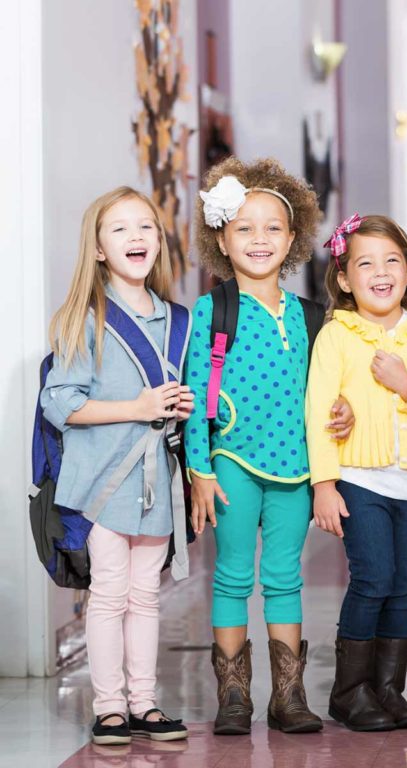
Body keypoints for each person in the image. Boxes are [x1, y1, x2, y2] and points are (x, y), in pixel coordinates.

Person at [42, 187, 193, 745]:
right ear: (100, 249)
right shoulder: (85, 318)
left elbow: (174, 406)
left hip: (156, 484)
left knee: (146, 595)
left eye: (146, 226)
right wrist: (137, 407)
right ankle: (110, 707)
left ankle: (145, 702)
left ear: (160, 239)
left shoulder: (177, 321)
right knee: (108, 592)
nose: (136, 237)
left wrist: (182, 405)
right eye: (121, 229)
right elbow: (60, 403)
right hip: (103, 481)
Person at [306, 214, 407, 731]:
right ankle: (349, 692)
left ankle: (388, 689)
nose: (381, 271)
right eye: (365, 262)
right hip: (359, 478)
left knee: (402, 584)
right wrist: (324, 485)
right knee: (372, 579)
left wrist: (404, 383)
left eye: (392, 260)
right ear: (345, 277)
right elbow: (319, 410)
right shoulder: (337, 335)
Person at [185, 157, 323, 735]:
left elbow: (324, 392)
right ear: (222, 237)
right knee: (234, 576)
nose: (259, 238)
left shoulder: (312, 317)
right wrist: (200, 471)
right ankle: (234, 696)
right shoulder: (213, 309)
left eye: (272, 228)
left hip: (295, 467)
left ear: (293, 239)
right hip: (232, 462)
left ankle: (287, 696)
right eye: (244, 227)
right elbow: (195, 397)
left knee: (286, 578)